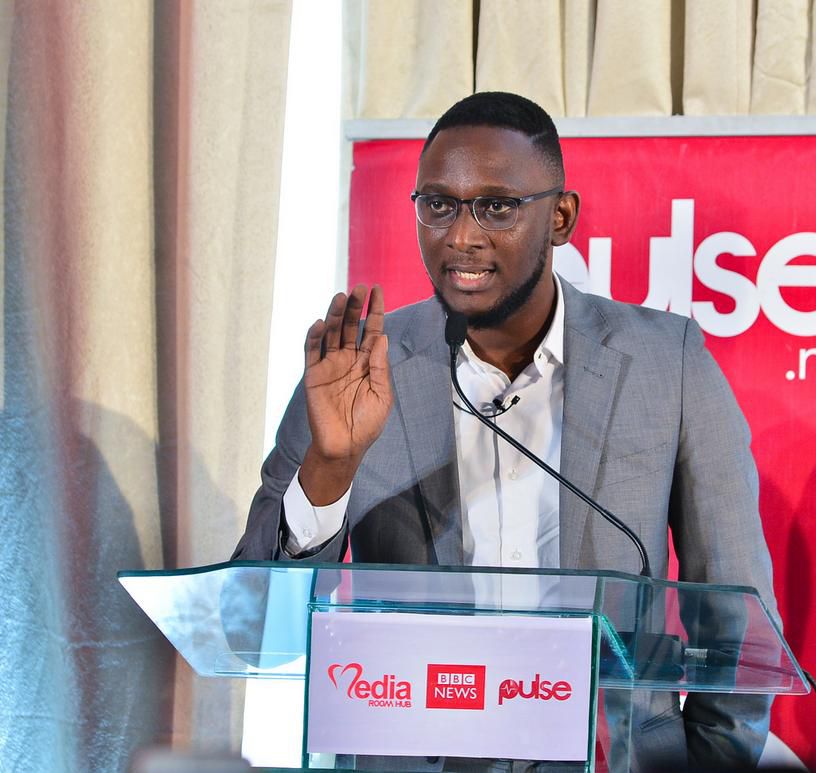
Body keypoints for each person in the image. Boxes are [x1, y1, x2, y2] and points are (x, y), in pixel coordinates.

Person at [233, 91, 779, 771]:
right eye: (438, 204)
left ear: (560, 217)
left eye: (496, 205)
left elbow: (738, 615)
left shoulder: (667, 362)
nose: (462, 235)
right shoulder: (357, 367)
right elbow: (255, 629)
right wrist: (330, 469)